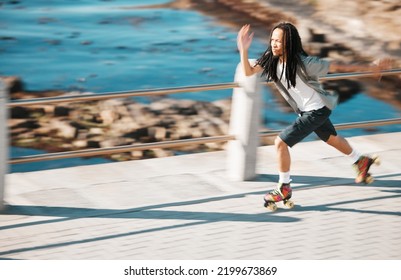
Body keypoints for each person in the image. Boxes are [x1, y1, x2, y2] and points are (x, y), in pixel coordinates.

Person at [236, 22, 391, 207]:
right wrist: (243, 49)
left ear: (289, 44)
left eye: (279, 41)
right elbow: (248, 72)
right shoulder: (271, 57)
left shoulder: (304, 63)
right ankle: (361, 161)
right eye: (272, 39)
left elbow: (338, 66)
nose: (274, 44)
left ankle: (284, 187)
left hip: (316, 110)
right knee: (332, 139)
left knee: (280, 143)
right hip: (308, 111)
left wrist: (370, 68)